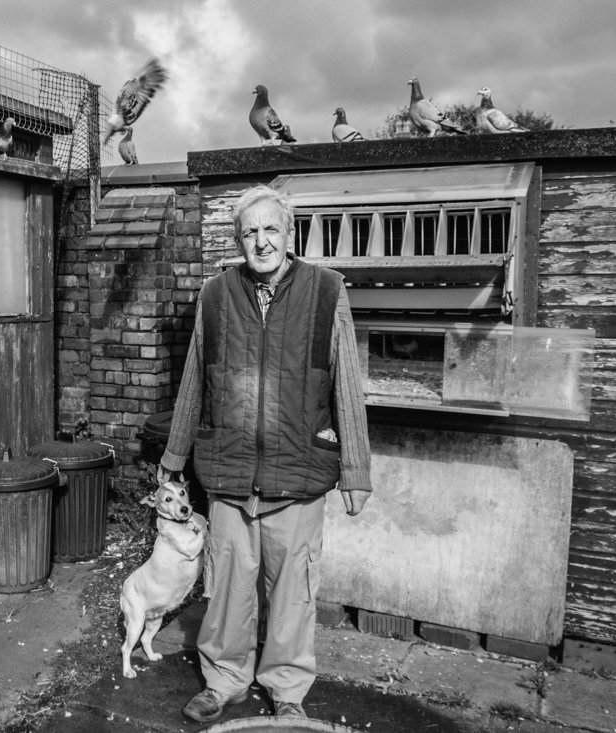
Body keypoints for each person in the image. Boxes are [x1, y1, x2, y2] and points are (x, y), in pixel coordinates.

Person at [157, 185, 373, 723]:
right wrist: (175, 454)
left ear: (290, 233)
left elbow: (346, 380)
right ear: (239, 240)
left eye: (271, 229)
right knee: (227, 586)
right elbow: (193, 382)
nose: (261, 241)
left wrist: (356, 469)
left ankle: (287, 690)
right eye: (250, 231)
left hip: (298, 468)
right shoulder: (215, 294)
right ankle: (224, 678)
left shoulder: (327, 291)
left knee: (293, 593)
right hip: (228, 468)